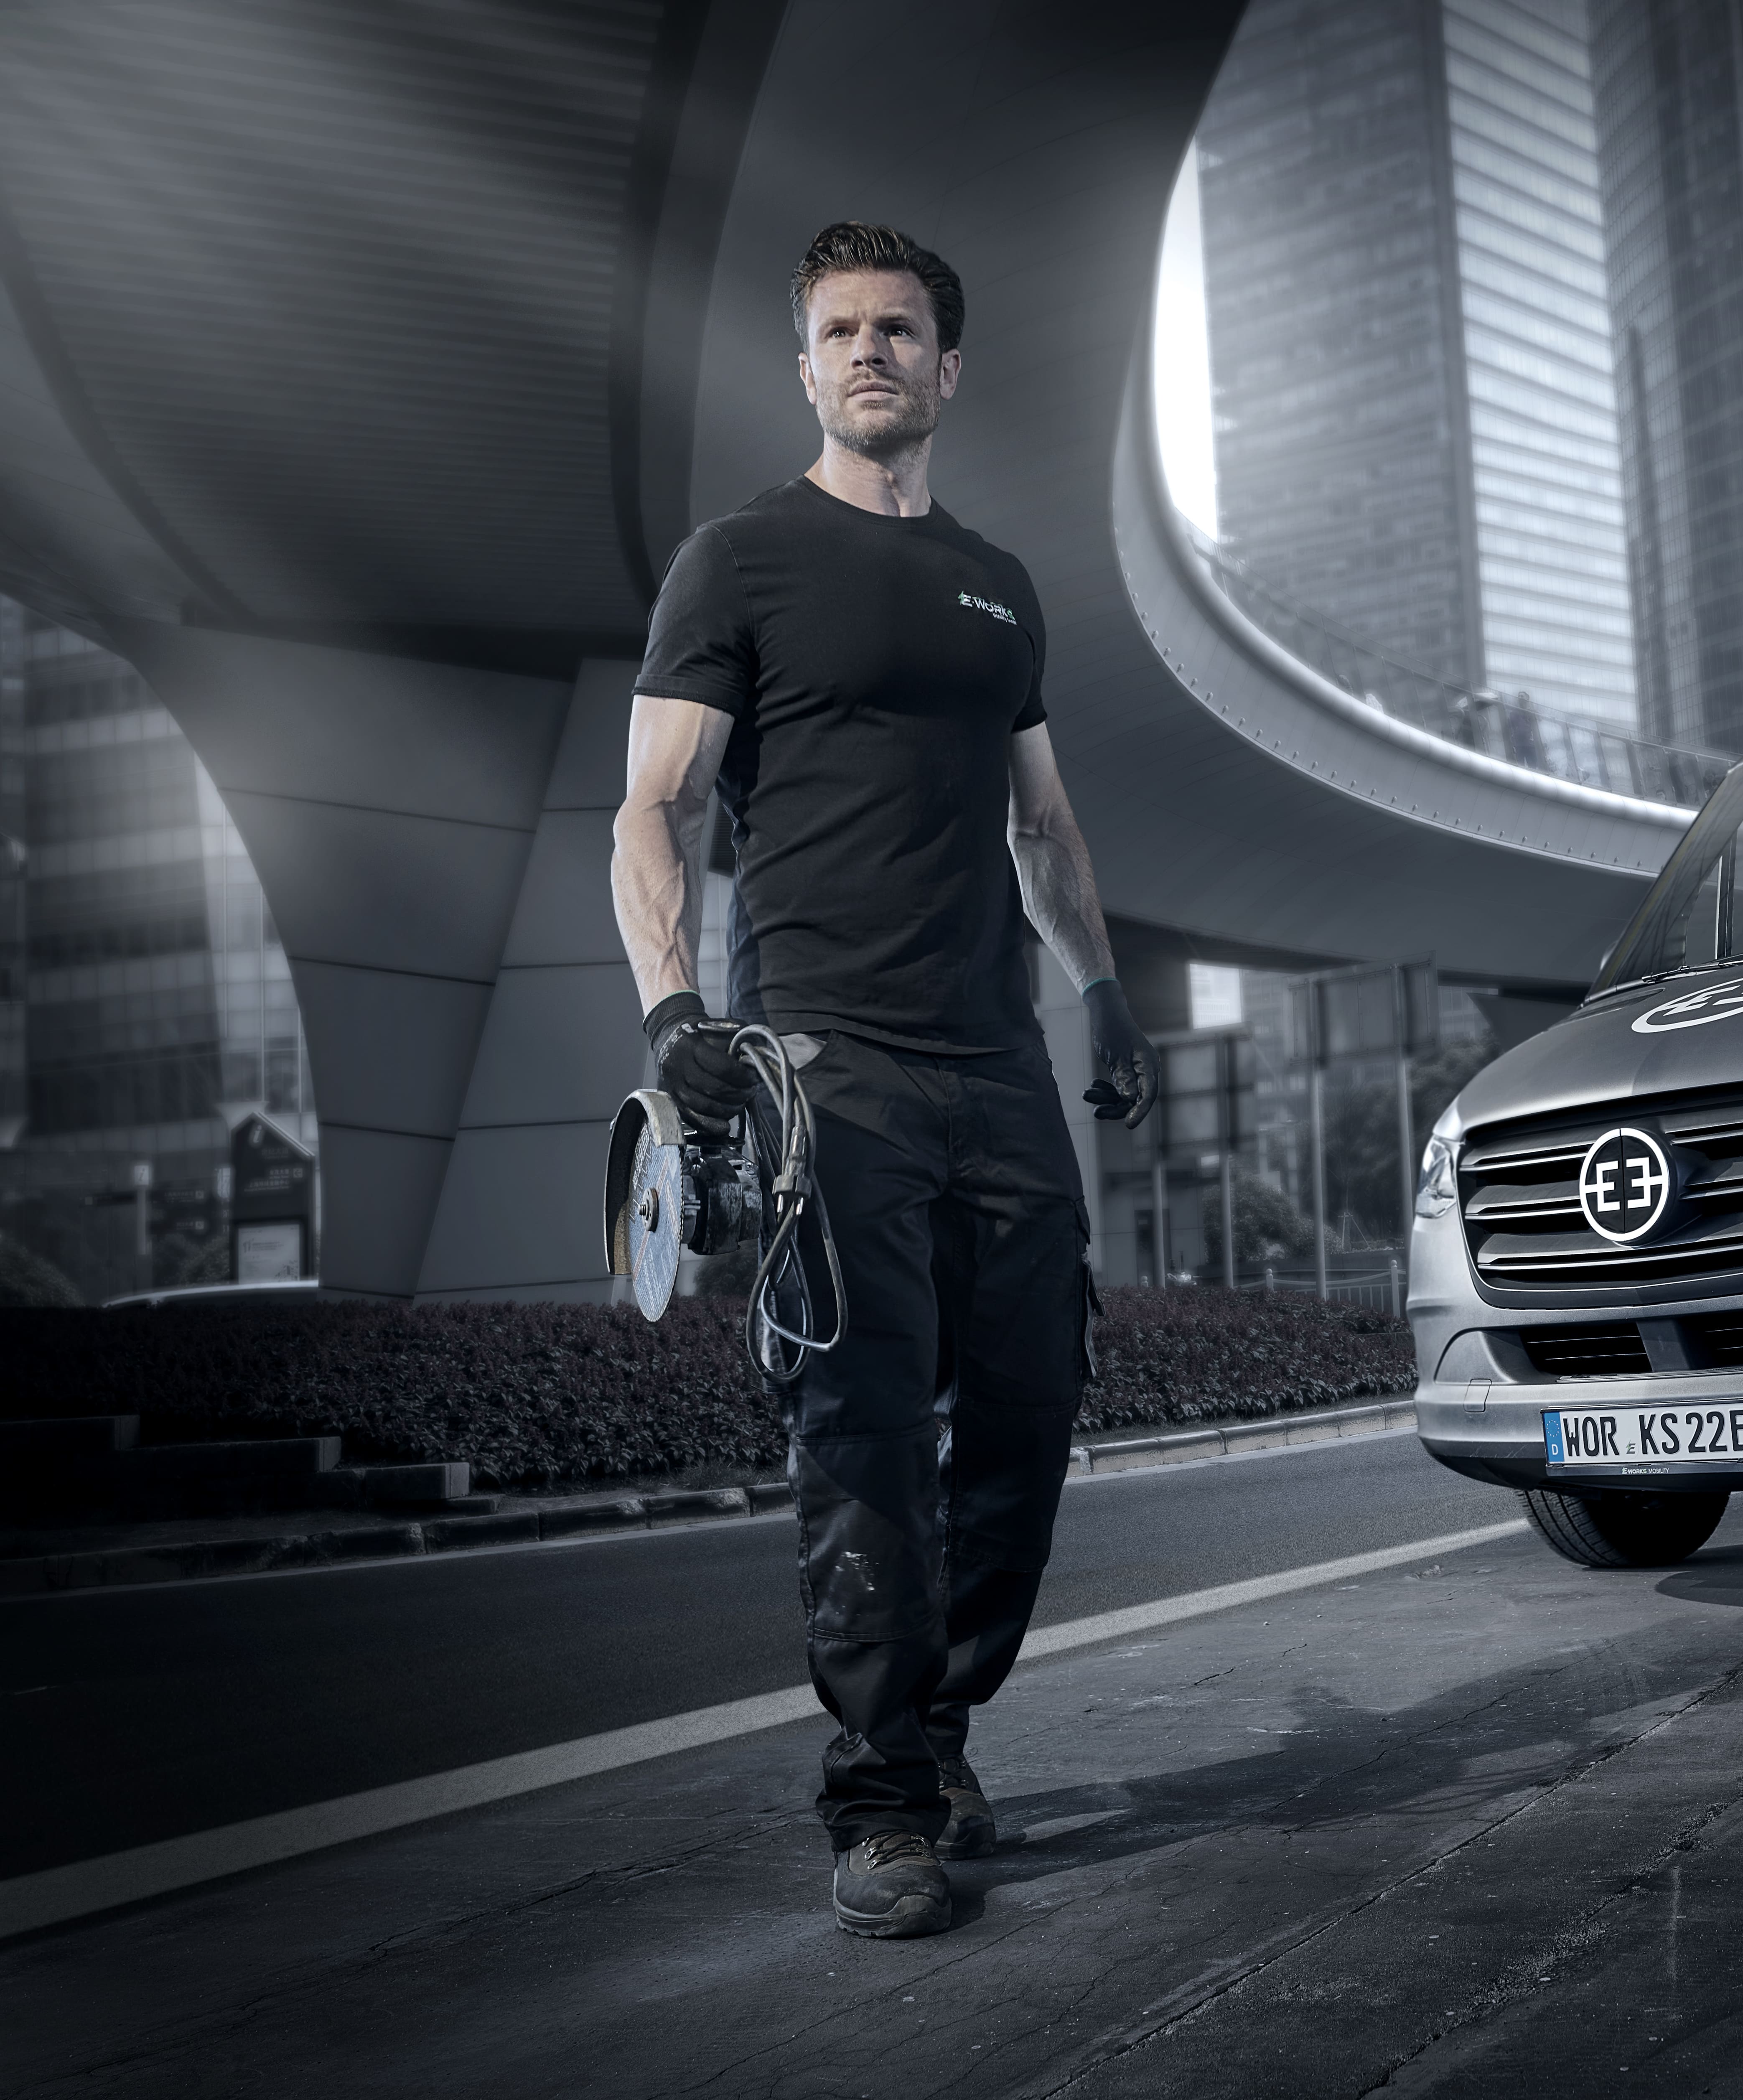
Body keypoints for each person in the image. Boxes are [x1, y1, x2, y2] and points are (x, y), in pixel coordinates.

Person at [608, 220, 1159, 1940]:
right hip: (822, 1070)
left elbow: (1042, 822)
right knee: (857, 1434)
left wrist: (1108, 995)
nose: (868, 351)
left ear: (947, 365)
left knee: (1028, 1416)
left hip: (997, 1062)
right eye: (839, 329)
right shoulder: (739, 560)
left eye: (899, 328)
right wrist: (672, 1010)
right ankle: (880, 1805)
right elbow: (656, 807)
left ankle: (938, 1722)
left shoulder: (1000, 582)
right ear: (805, 365)